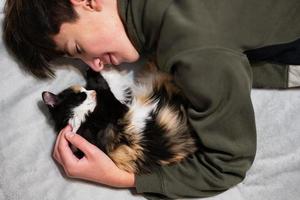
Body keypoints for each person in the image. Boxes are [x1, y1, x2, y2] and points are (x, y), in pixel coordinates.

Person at [3, 0, 300, 199]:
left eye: (79, 47)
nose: (94, 65)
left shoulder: (196, 53)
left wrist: (126, 180)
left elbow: (228, 164)